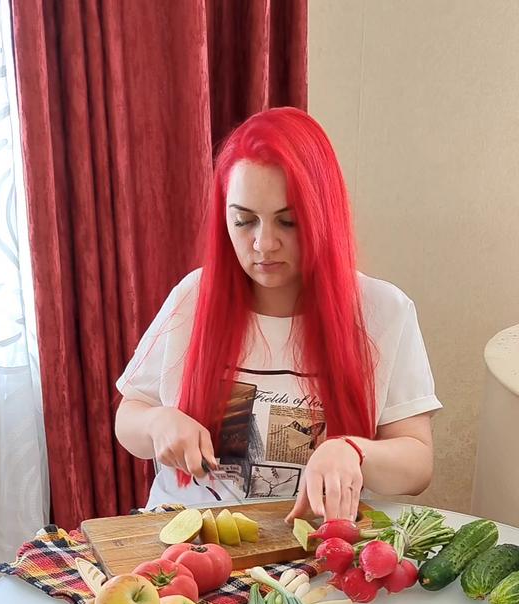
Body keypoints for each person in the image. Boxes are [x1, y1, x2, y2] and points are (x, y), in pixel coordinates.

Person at [115, 107, 441, 522]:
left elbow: (417, 465)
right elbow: (130, 416)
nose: (264, 244)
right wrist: (158, 423)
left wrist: (354, 451)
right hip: (190, 534)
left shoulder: (383, 311)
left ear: (324, 216)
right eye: (243, 221)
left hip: (316, 540)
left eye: (288, 222)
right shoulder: (193, 297)